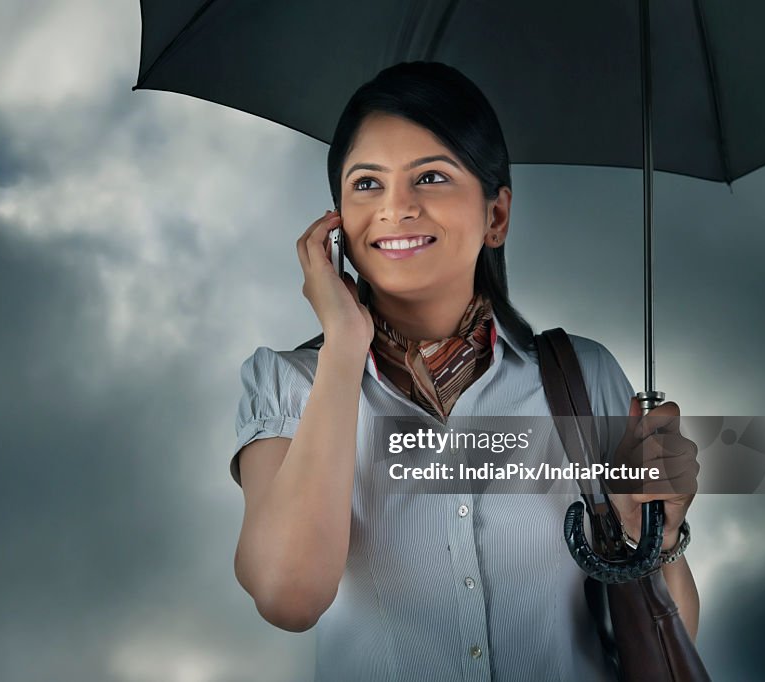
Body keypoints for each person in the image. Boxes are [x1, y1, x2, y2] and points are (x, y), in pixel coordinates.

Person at [229, 61, 699, 681]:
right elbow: (290, 598)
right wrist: (343, 347)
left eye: (431, 176)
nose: (396, 207)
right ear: (336, 220)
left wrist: (655, 537)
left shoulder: (584, 376)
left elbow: (664, 636)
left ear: (496, 215)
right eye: (367, 183)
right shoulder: (284, 383)